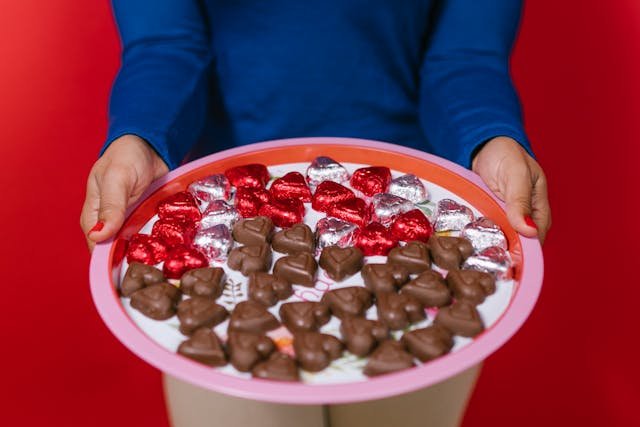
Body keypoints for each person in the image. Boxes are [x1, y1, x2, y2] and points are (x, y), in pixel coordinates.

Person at [80, 1, 551, 426]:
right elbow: (166, 44)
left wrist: (490, 138)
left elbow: (465, 56)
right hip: (232, 230)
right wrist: (139, 136)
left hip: (410, 231)